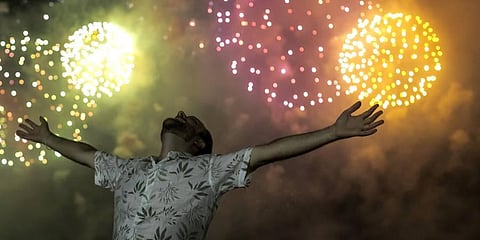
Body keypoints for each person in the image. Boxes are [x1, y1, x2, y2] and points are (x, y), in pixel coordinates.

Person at [16, 101, 383, 240]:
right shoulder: (129, 170)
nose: (179, 114)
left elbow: (269, 151)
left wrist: (333, 132)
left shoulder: (210, 169)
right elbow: (87, 153)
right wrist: (50, 139)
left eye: (188, 120)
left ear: (198, 143)